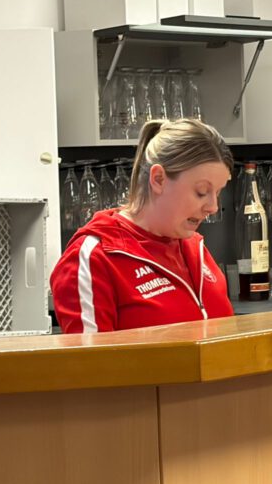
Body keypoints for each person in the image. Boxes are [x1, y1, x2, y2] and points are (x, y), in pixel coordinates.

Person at [51, 118, 235, 333]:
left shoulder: (195, 248)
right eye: (201, 192)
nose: (213, 207)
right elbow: (91, 354)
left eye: (218, 192)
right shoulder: (95, 257)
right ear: (158, 179)